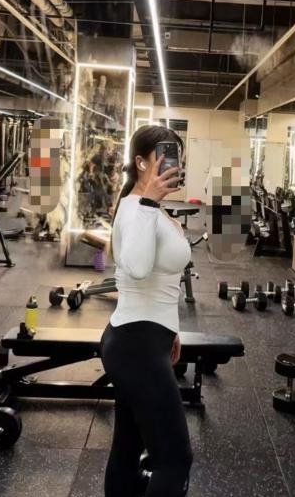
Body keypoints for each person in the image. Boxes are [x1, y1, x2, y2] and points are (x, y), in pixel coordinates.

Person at [100, 125, 193, 497]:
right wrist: (151, 203)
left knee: (127, 447)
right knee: (174, 459)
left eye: (178, 156)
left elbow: (159, 282)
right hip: (136, 346)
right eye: (166, 155)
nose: (175, 164)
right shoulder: (137, 208)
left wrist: (172, 330)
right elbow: (137, 268)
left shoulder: (144, 207)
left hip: (142, 339)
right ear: (141, 163)